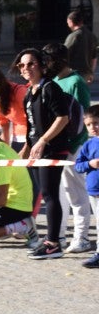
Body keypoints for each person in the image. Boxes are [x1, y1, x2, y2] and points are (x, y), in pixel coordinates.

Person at [17, 47, 71, 259]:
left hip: (53, 148)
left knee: (49, 194)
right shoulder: (29, 92)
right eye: (22, 65)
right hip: (38, 149)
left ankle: (53, 243)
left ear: (41, 65)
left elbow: (62, 118)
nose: (26, 68)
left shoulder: (50, 88)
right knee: (45, 192)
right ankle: (50, 241)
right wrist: (27, 147)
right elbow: (32, 125)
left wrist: (43, 140)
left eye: (31, 63)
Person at [43, 42, 92, 254]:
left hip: (73, 147)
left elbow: (83, 117)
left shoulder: (75, 82)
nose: (45, 65)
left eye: (48, 61)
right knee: (59, 192)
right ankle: (58, 235)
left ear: (59, 61)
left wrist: (74, 146)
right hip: (58, 148)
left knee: (76, 194)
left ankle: (81, 237)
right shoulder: (53, 81)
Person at [74, 105, 99, 267]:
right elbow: (78, 165)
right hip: (94, 191)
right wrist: (90, 163)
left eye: (96, 123)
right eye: (89, 125)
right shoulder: (88, 145)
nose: (92, 128)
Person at [65, 10, 97, 83]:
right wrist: (91, 73)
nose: (67, 24)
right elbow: (94, 58)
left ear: (70, 21)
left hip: (74, 75)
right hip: (86, 75)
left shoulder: (74, 36)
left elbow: (63, 53)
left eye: (67, 22)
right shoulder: (92, 36)